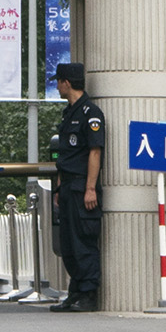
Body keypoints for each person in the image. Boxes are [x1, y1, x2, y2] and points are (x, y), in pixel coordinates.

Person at [46, 58, 106, 311]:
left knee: (83, 242)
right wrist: (59, 188)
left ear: (67, 83)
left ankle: (88, 294)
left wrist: (90, 188)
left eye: (58, 82)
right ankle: (75, 292)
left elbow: (95, 152)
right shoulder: (69, 112)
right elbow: (65, 157)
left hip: (82, 187)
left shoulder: (90, 114)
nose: (57, 87)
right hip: (68, 187)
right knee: (69, 243)